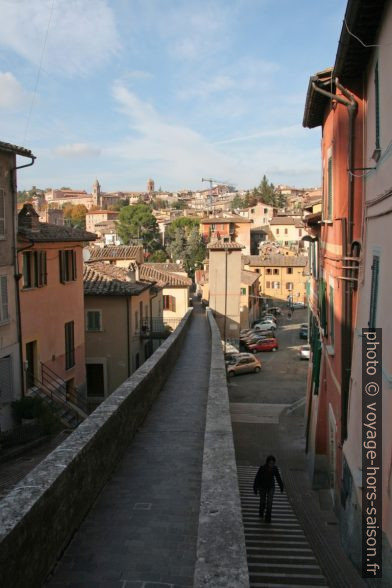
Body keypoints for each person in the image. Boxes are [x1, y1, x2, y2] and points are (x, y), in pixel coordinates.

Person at [253, 455, 284, 523]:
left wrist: (281, 487)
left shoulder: (275, 469)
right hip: (262, 487)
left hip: (271, 487)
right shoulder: (262, 468)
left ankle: (268, 517)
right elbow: (257, 478)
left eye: (273, 464)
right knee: (263, 501)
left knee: (270, 502)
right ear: (267, 463)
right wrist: (255, 488)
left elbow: (278, 478)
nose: (271, 465)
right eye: (270, 463)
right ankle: (261, 512)